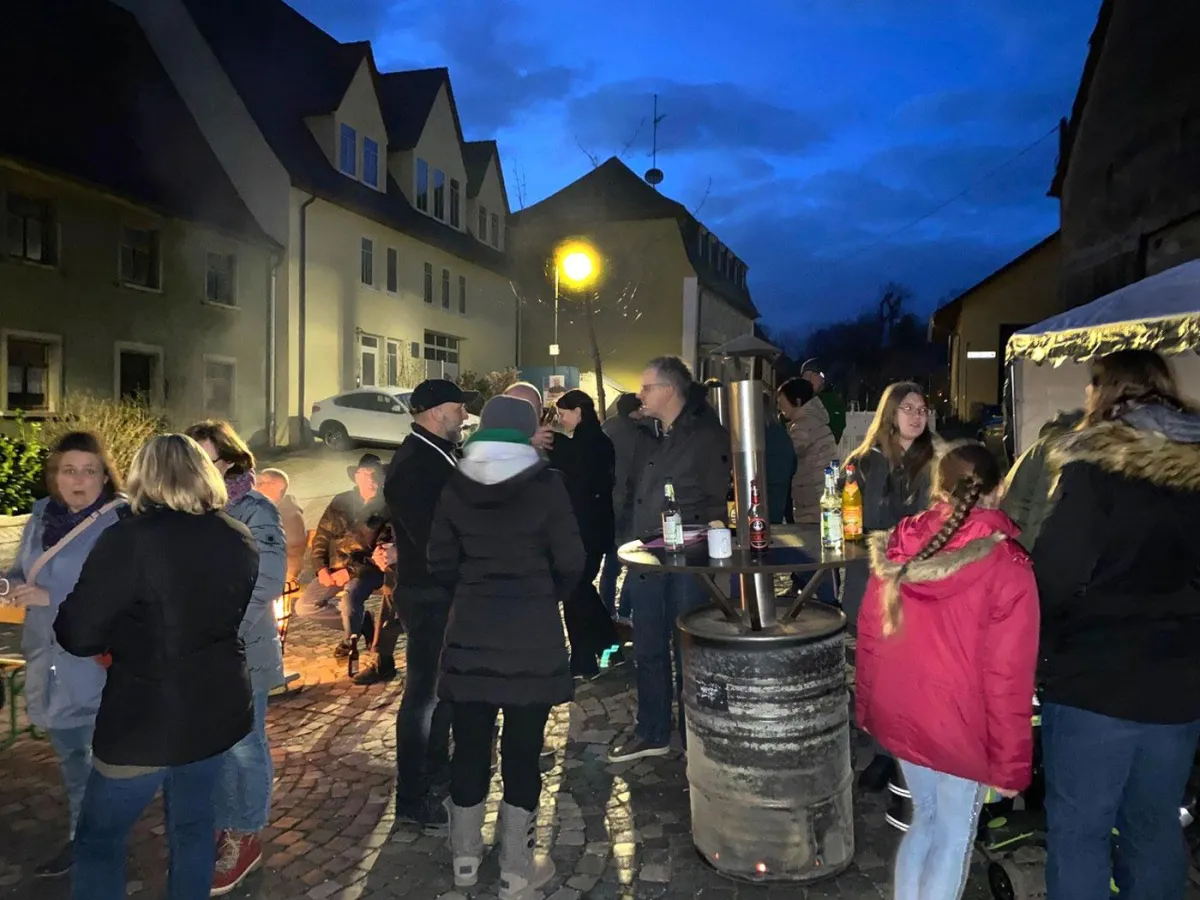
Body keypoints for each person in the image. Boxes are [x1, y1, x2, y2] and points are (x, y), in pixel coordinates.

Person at [54, 433, 260, 900]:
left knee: (98, 840)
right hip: (216, 709)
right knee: (193, 826)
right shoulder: (236, 535)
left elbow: (79, 634)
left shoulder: (129, 539)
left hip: (145, 718)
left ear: (143, 476)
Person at [1031, 350, 1200, 899]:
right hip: (1179, 687)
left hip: (1094, 685)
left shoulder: (1094, 468)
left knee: (1081, 834)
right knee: (1154, 830)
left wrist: (1042, 650)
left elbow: (1054, 576)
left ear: (1108, 391)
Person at [856, 440, 1038, 900]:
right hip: (959, 725)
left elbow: (871, 636)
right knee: (953, 835)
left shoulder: (900, 543)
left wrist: (870, 709)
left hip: (904, 713)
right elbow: (1008, 679)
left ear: (937, 486)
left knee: (926, 819)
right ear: (998, 490)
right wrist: (1011, 766)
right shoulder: (1008, 566)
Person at [429, 395, 584, 899]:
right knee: (523, 749)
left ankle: (465, 857)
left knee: (470, 744)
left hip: (471, 634)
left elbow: (439, 561)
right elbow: (572, 561)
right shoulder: (547, 485)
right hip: (531, 638)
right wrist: (544, 594)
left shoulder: (455, 484)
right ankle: (516, 867)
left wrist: (471, 591)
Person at [2, 432, 127, 878]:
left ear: (105, 476)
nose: (78, 480)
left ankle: (98, 847)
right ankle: (83, 839)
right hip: (47, 661)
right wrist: (12, 585)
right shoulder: (42, 515)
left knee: (103, 765)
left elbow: (122, 596)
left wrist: (49, 597)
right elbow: (22, 570)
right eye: (69, 470)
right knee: (73, 761)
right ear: (55, 475)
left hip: (96, 667)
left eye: (89, 471)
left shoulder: (120, 522)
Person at [607, 357, 730, 763]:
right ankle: (652, 730)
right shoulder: (654, 433)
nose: (639, 394)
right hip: (648, 556)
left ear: (669, 390)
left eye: (646, 387)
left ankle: (697, 735)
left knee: (688, 648)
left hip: (686, 561)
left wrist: (699, 546)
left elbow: (714, 501)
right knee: (647, 645)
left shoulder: (705, 435)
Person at [183, 420, 286, 896]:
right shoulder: (183, 510)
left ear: (229, 461)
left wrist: (218, 634)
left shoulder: (255, 508)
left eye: (207, 459)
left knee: (245, 743)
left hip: (241, 650)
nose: (200, 469)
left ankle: (245, 834)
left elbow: (266, 580)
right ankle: (223, 823)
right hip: (196, 652)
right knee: (214, 742)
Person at [384, 379, 475, 829]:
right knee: (422, 697)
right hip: (428, 595)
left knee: (441, 691)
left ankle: (437, 770)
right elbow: (433, 538)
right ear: (438, 412)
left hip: (442, 592)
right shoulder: (416, 463)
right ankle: (412, 794)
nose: (465, 416)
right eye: (459, 408)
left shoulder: (438, 452)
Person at [843, 381, 936, 792]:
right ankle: (883, 750)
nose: (917, 416)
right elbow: (846, 521)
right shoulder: (863, 463)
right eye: (908, 408)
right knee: (876, 671)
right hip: (871, 579)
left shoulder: (936, 461)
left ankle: (908, 753)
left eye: (922, 409)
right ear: (890, 413)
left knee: (913, 672)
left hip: (917, 581)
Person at [550, 390, 621, 677]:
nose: (561, 419)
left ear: (578, 412)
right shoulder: (599, 441)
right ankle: (605, 651)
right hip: (596, 529)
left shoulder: (580, 445)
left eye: (563, 413)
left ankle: (589, 658)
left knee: (575, 591)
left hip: (583, 530)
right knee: (579, 590)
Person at [293, 454, 388, 659]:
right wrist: (320, 568)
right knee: (305, 606)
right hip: (335, 567)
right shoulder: (341, 501)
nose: (370, 480)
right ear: (356, 477)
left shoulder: (387, 507)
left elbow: (383, 550)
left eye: (375, 475)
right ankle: (361, 622)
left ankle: (349, 640)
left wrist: (351, 571)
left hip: (367, 569)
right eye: (365, 474)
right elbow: (322, 536)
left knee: (349, 600)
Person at [999, 408, 1083, 552]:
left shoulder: (1058, 442)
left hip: (1013, 533)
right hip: (1018, 539)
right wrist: (1036, 559)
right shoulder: (1060, 449)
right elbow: (1041, 513)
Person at [600, 393, 652, 622]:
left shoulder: (606, 428)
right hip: (632, 504)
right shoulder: (641, 434)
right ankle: (624, 611)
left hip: (610, 503)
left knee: (611, 563)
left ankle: (607, 611)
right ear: (635, 411)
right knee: (634, 561)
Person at [777, 377, 838, 525]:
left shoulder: (802, 426)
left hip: (812, 497)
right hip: (825, 490)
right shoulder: (817, 420)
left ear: (797, 402)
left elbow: (788, 455)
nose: (780, 409)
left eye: (783, 404)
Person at [255, 468, 308, 591]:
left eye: (261, 483)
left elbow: (293, 551)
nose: (255, 485)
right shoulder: (261, 508)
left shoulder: (289, 515)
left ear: (276, 487)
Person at [763, 392, 797, 525]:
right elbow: (793, 466)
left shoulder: (759, 436)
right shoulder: (781, 434)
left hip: (762, 499)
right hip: (779, 499)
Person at [800, 359, 847, 444]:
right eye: (806, 375)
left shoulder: (833, 401)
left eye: (814, 375)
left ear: (823, 378)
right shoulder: (796, 399)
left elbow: (835, 433)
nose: (809, 379)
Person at [504, 381, 554, 451]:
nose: (521, 416)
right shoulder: (495, 442)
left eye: (528, 409)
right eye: (513, 409)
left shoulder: (562, 445)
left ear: (541, 410)